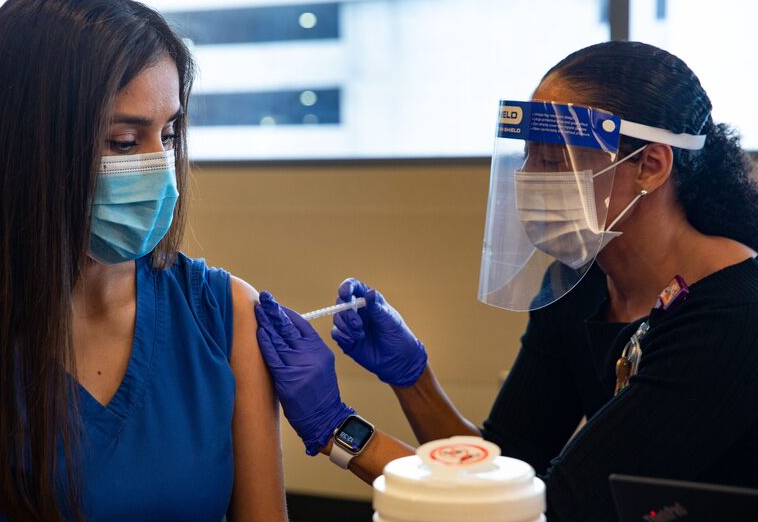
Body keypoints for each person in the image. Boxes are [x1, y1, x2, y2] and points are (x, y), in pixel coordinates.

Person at [255, 41, 758, 521]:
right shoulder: (580, 283)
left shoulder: (733, 318)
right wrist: (412, 378)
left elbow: (549, 511)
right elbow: (505, 464)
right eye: (528, 156)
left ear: (650, 165)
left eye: (554, 160)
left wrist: (339, 430)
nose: (531, 177)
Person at [0, 0, 286, 522]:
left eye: (168, 136)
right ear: (25, 144)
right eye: (123, 141)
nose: (160, 167)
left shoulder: (224, 314)